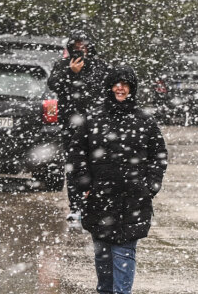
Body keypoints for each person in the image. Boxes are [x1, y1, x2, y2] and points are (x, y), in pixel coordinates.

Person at [67, 66, 167, 294]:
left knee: (123, 252)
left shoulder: (144, 121)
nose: (120, 88)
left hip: (132, 199)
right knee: (102, 255)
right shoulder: (93, 119)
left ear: (132, 88)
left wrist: (150, 185)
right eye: (116, 83)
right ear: (109, 87)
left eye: (125, 84)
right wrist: (84, 181)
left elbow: (158, 156)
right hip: (99, 197)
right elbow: (77, 152)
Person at [47, 29, 110, 222]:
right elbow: (53, 84)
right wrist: (70, 72)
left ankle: (95, 205)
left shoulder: (100, 66)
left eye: (84, 46)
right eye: (76, 47)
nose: (80, 50)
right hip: (70, 125)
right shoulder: (62, 65)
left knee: (98, 166)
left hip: (96, 125)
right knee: (74, 167)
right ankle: (75, 207)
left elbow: (101, 89)